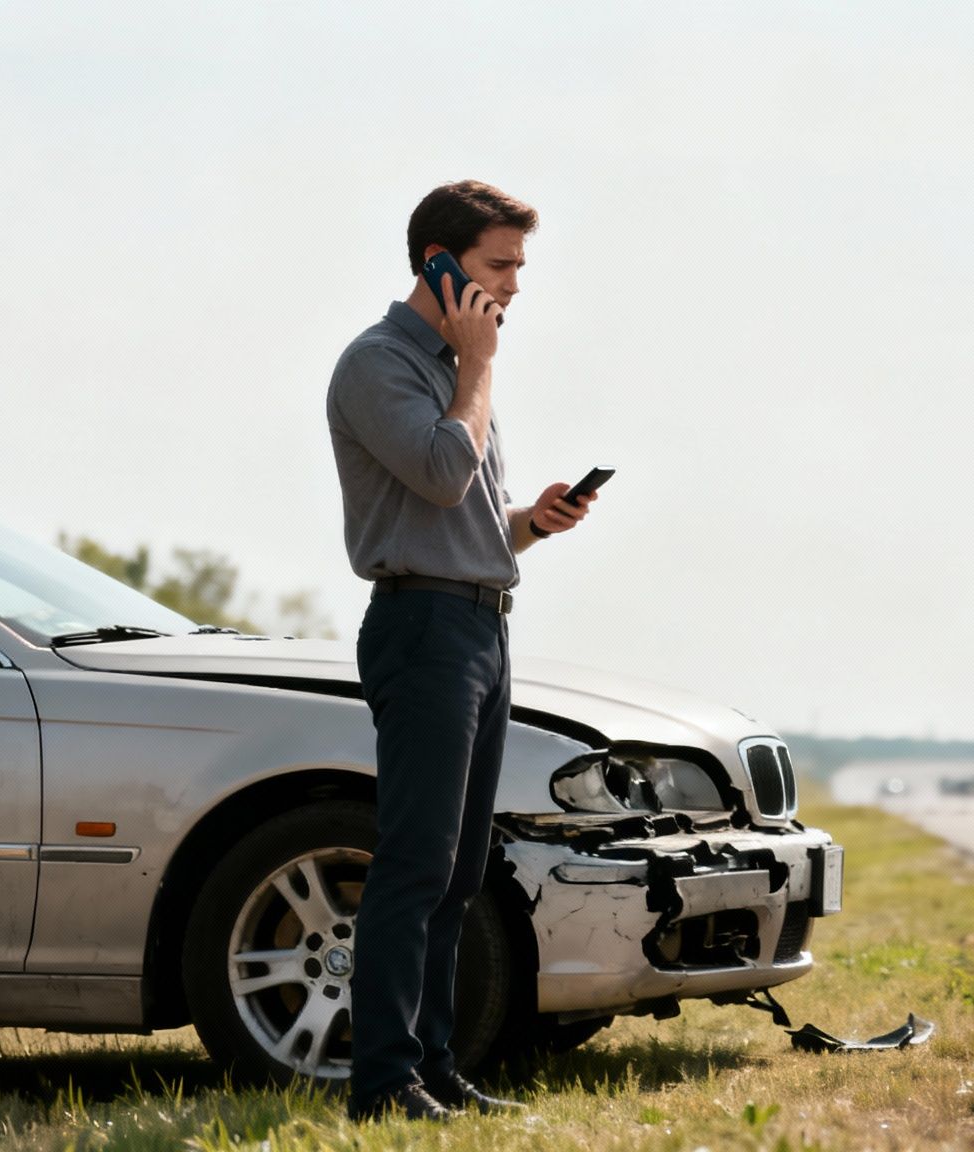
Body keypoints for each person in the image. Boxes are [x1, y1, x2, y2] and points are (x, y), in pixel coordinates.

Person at [326, 180, 597, 1122]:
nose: (515, 287)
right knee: (414, 862)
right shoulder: (381, 365)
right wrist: (477, 369)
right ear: (440, 265)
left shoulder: (453, 365)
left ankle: (432, 1066)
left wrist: (531, 523)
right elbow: (442, 476)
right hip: (423, 630)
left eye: (519, 266)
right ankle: (382, 1083)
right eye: (499, 266)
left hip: (481, 624)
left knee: (458, 868)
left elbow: (466, 518)